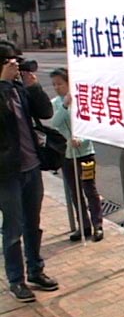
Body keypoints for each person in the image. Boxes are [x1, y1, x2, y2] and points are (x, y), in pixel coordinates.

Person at [0, 40, 59, 302]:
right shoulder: (4, 89)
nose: (16, 66)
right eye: (10, 62)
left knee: (32, 223)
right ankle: (16, 280)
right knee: (13, 228)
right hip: (7, 174)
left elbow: (46, 112)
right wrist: (3, 83)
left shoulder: (20, 89)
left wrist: (33, 86)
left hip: (32, 166)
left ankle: (36, 270)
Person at [50, 68, 104, 243]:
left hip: (85, 154)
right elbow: (55, 123)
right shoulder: (56, 103)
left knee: (89, 189)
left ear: (68, 83)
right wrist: (64, 105)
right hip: (67, 155)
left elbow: (92, 125)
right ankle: (84, 226)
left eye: (60, 84)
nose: (57, 87)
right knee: (75, 192)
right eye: (54, 84)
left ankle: (98, 225)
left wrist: (82, 140)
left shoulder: (82, 101)